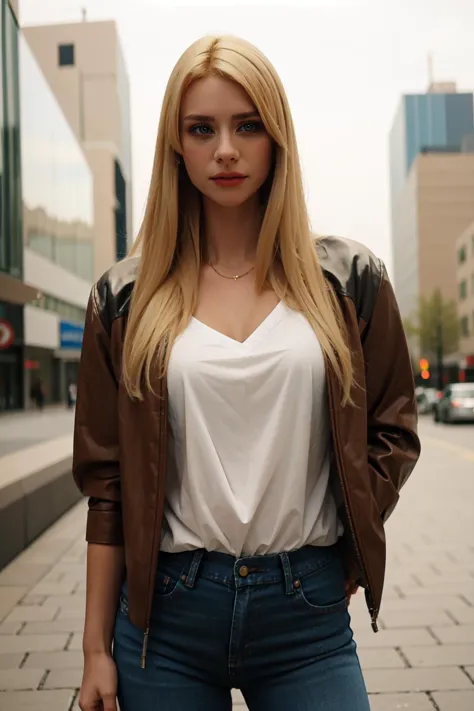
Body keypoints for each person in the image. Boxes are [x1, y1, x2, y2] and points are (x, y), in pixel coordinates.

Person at [72, 35, 420, 711]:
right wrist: (94, 650)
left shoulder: (350, 281)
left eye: (248, 125)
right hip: (166, 620)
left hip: (308, 616)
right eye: (202, 129)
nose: (225, 149)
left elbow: (393, 431)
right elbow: (108, 487)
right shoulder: (122, 299)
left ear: (277, 137)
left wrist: (346, 550)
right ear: (176, 146)